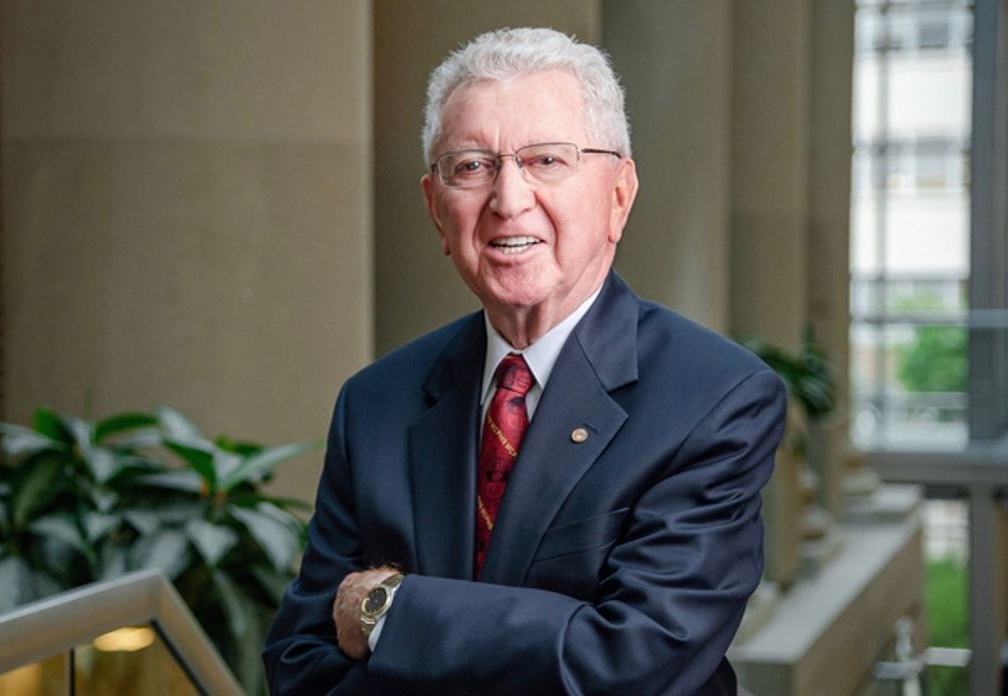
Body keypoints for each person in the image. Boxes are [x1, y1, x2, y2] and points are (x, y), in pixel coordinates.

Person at [263, 27, 787, 695]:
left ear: (618, 195)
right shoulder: (375, 402)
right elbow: (299, 665)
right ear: (434, 207)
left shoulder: (715, 397)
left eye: (546, 160)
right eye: (471, 166)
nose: (508, 200)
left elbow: (632, 664)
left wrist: (390, 610)